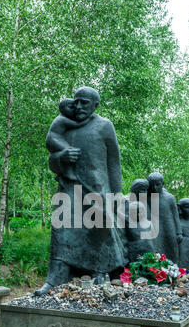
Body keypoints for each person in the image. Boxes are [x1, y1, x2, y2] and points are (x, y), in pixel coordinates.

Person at [35, 87, 127, 296]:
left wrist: (117, 195)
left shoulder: (105, 126)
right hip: (69, 188)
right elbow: (52, 160)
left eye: (84, 102)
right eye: (76, 102)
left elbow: (114, 164)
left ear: (95, 105)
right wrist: (61, 158)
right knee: (63, 231)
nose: (78, 106)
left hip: (97, 189)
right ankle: (56, 276)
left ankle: (100, 271)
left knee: (99, 230)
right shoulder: (65, 126)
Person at [46, 98, 94, 182]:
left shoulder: (105, 125)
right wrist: (89, 119)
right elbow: (77, 124)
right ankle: (67, 173)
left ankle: (62, 174)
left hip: (56, 138)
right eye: (71, 108)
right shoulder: (62, 119)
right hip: (54, 139)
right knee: (70, 151)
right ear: (63, 109)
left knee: (70, 153)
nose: (75, 109)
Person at [147, 172, 183, 264]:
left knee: (172, 248)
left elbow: (176, 216)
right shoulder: (147, 197)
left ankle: (174, 269)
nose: (154, 188)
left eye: (158, 185)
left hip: (169, 227)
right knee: (156, 249)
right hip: (154, 228)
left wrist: (179, 232)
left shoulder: (170, 198)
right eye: (152, 185)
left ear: (163, 184)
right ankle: (157, 271)